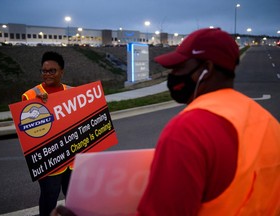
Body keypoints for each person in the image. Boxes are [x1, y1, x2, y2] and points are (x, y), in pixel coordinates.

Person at [51, 28, 280, 216]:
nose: (172, 75)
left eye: (179, 67)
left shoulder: (191, 128)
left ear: (207, 70)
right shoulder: (267, 121)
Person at [22, 51, 73, 216]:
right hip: (49, 161)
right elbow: (27, 130)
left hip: (72, 160)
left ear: (61, 72)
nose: (47, 74)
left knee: (74, 198)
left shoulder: (73, 92)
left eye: (52, 71)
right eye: (44, 71)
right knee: (49, 198)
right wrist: (37, 106)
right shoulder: (30, 96)